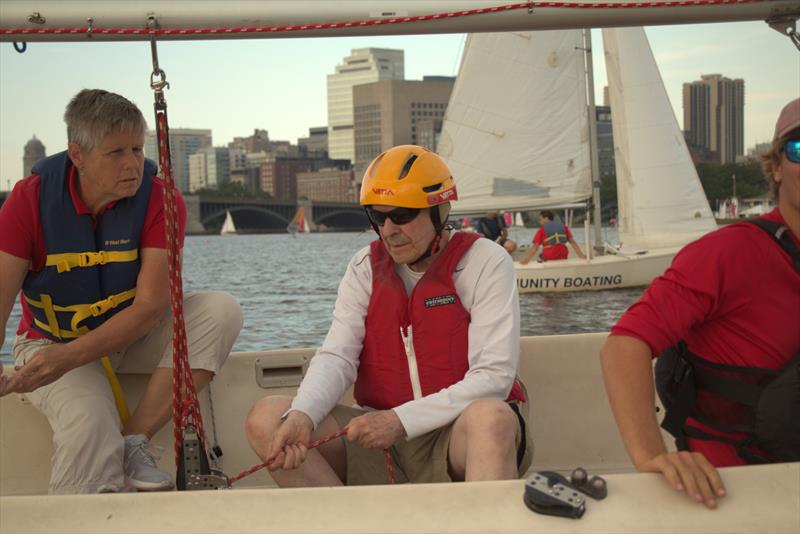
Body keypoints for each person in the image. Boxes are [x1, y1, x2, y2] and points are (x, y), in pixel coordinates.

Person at [0, 89, 243, 494]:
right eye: (115, 153)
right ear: (77, 155)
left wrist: (68, 358)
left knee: (221, 311)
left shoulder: (160, 199)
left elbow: (150, 308)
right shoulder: (28, 202)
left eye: (136, 148)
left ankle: (134, 441)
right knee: (90, 427)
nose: (133, 164)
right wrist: (56, 358)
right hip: (50, 339)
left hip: (127, 335)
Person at [245, 145, 532, 487]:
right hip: (379, 437)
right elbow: (338, 356)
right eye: (378, 217)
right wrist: (302, 415)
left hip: (455, 434)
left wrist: (400, 420)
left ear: (439, 210)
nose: (389, 230)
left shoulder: (486, 261)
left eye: (402, 215)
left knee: (492, 418)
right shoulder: (363, 267)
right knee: (268, 419)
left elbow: (494, 377)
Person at [599, 98, 800, 509]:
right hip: (737, 494)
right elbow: (624, 346)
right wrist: (652, 456)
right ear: (777, 167)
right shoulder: (728, 253)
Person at [519, 211, 586, 264]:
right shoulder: (563, 227)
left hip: (549, 257)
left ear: (546, 218)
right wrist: (581, 255)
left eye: (540, 219)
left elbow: (535, 247)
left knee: (540, 256)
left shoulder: (541, 231)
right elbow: (572, 242)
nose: (539, 222)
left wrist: (526, 260)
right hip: (562, 256)